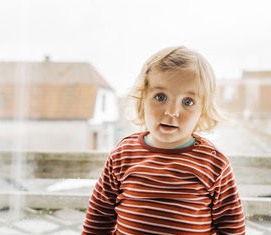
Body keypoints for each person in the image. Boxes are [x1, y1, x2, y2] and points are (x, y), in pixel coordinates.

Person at [82, 46, 246, 234]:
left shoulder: (214, 163)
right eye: (160, 97)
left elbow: (232, 227)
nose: (172, 112)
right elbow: (98, 217)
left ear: (203, 110)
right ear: (143, 99)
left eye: (188, 102)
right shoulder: (122, 154)